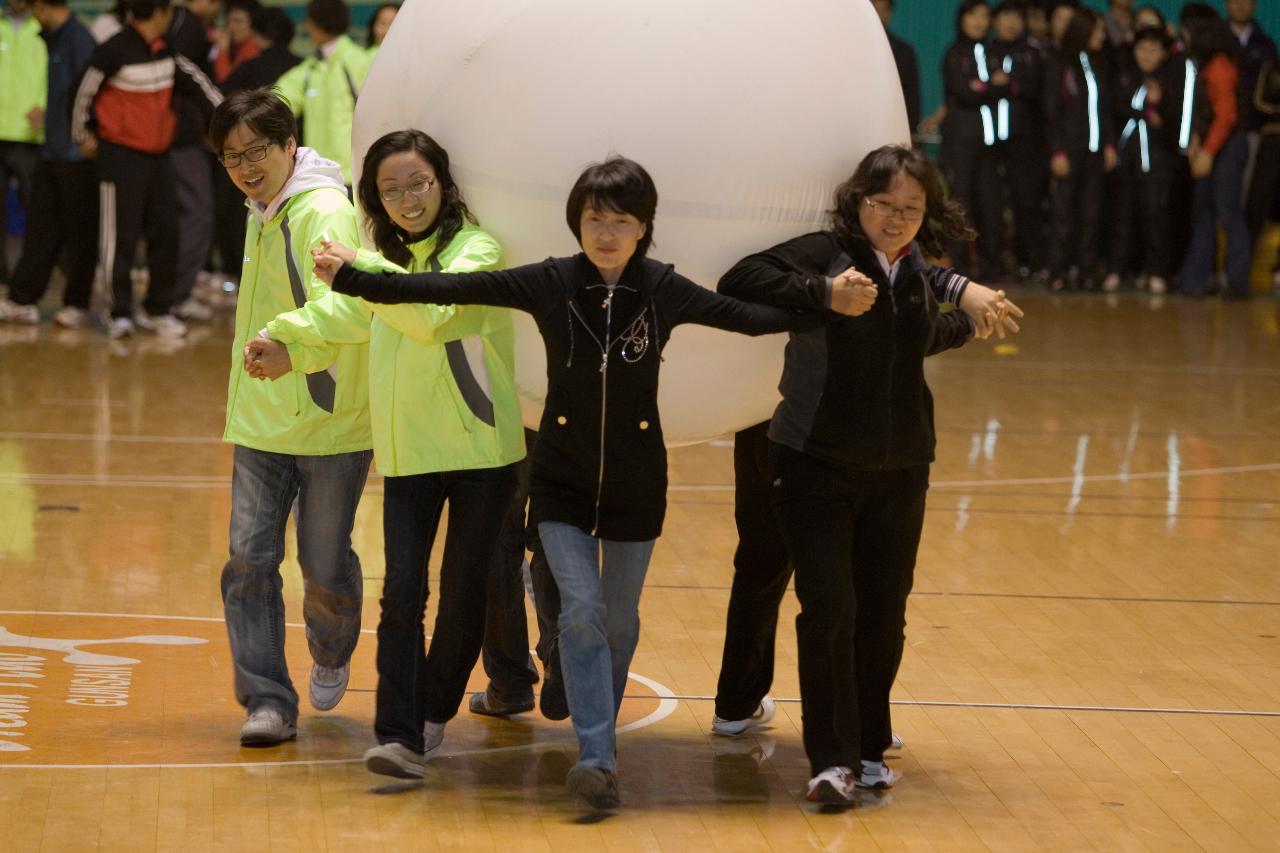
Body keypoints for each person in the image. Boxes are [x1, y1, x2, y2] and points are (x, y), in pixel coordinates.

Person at [313, 156, 839, 810]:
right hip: (558, 484)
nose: (606, 232)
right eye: (595, 218)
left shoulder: (661, 287)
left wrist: (826, 299)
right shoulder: (552, 282)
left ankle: (596, 737)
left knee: (615, 624)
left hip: (637, 486)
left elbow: (747, 317)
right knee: (583, 612)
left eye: (621, 221)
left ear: (644, 226)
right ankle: (597, 757)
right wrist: (354, 277)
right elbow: (440, 293)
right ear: (578, 222)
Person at [245, 129, 525, 778]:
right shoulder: (374, 261)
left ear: (444, 186)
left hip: (483, 452)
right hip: (408, 454)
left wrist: (363, 274)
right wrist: (283, 337)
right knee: (402, 594)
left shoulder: (477, 249)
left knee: (461, 596)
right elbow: (345, 315)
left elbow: (430, 312)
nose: (405, 199)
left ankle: (431, 711)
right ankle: (399, 734)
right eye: (389, 188)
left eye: (418, 183)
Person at [717, 144, 989, 804]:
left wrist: (970, 319)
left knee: (884, 615)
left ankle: (869, 749)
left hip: (900, 469)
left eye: (911, 209)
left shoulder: (917, 268)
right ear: (857, 201)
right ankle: (830, 762)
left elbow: (913, 333)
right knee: (829, 609)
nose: (896, 219)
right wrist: (821, 294)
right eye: (884, 205)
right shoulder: (825, 253)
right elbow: (738, 279)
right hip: (812, 463)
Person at [210, 88, 373, 746]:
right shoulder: (263, 209)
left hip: (328, 417)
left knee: (325, 563)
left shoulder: (321, 209)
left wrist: (288, 345)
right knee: (248, 560)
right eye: (230, 157)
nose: (245, 167)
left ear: (289, 147)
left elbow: (354, 306)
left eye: (256, 151)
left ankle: (331, 651)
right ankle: (268, 699)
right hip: (262, 419)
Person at [70, 0, 222, 338]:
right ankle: (117, 311)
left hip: (159, 157)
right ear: (158, 14)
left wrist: (229, 119)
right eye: (169, 11)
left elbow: (198, 85)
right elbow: (82, 92)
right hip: (120, 158)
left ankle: (158, 309)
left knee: (166, 233)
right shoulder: (113, 50)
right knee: (119, 237)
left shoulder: (165, 51)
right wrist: (82, 136)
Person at [0, 0, 96, 327]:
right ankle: (22, 298)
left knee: (79, 233)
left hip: (75, 153)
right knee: (41, 227)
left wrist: (84, 137)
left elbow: (89, 94)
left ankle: (78, 304)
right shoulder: (53, 36)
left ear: (41, 5)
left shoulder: (78, 39)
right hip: (51, 149)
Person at [1043, 6, 1116, 290]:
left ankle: (1086, 270)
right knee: (1063, 213)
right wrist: (1056, 150)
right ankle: (1058, 271)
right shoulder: (1059, 63)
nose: (1102, 35)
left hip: (1095, 150)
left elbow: (1104, 108)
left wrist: (1109, 143)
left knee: (1091, 212)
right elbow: (1050, 111)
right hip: (1068, 151)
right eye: (1097, 30)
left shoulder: (1099, 64)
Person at [1178, 8, 1250, 298]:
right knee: (1204, 213)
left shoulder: (1220, 66)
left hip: (1227, 148)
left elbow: (1226, 117)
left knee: (1227, 214)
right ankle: (1194, 281)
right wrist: (1197, 144)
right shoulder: (1205, 66)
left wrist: (1207, 152)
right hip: (1213, 145)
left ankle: (1236, 282)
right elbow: (1204, 114)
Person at [1103, 27, 1180, 294]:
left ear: (1163, 53)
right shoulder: (1124, 76)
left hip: (1157, 160)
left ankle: (1157, 271)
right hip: (1128, 158)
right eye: (1142, 49)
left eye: (1153, 49)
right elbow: (1114, 109)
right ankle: (1116, 269)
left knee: (1155, 214)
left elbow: (1176, 122)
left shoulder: (1170, 79)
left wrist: (1158, 108)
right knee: (1122, 215)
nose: (1147, 55)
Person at [275, 0, 371, 189]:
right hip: (319, 174)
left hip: (355, 171)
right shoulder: (311, 67)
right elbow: (279, 99)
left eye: (309, 20)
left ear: (316, 22)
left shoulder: (357, 61)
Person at [942, 0, 1004, 277]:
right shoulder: (955, 53)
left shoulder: (993, 52)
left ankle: (992, 264)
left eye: (984, 16)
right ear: (962, 19)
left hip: (990, 145)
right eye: (973, 16)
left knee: (990, 203)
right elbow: (964, 92)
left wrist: (982, 86)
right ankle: (959, 265)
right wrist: (991, 86)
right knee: (961, 202)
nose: (979, 21)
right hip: (960, 142)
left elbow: (1004, 88)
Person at [989, 0, 1047, 279]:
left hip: (1025, 142)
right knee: (993, 203)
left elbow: (1038, 91)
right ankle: (995, 261)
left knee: (1026, 202)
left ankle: (1031, 261)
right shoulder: (985, 51)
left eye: (1016, 17)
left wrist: (1011, 85)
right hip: (990, 142)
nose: (1011, 23)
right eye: (1005, 17)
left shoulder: (1032, 54)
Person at [0, 0, 47, 289]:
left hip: (30, 137)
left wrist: (45, 108)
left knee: (39, 213)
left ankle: (29, 282)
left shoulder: (44, 28)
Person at [870, 0, 921, 135]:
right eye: (874, 6)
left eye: (882, 8)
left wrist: (911, 129)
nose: (877, 13)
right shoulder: (847, 47)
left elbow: (911, 95)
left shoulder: (904, 51)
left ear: (889, 12)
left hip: (891, 125)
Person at [212, 0, 261, 82]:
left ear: (254, 24)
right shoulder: (237, 48)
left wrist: (222, 50)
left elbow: (227, 83)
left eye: (238, 21)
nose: (231, 27)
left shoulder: (254, 52)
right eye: (228, 21)